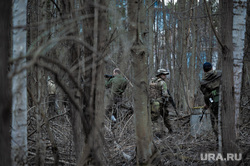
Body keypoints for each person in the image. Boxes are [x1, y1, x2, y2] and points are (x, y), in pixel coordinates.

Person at [200, 62, 222, 138]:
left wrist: (207, 104)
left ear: (203, 70)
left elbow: (206, 96)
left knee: (215, 121)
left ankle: (218, 139)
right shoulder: (221, 74)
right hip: (225, 101)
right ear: (212, 68)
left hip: (214, 103)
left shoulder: (203, 82)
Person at [149, 68, 173, 134]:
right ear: (160, 75)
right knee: (166, 117)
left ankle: (157, 133)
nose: (165, 76)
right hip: (160, 103)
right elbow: (165, 94)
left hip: (152, 103)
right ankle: (170, 130)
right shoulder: (162, 83)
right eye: (164, 74)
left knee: (154, 120)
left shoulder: (151, 81)